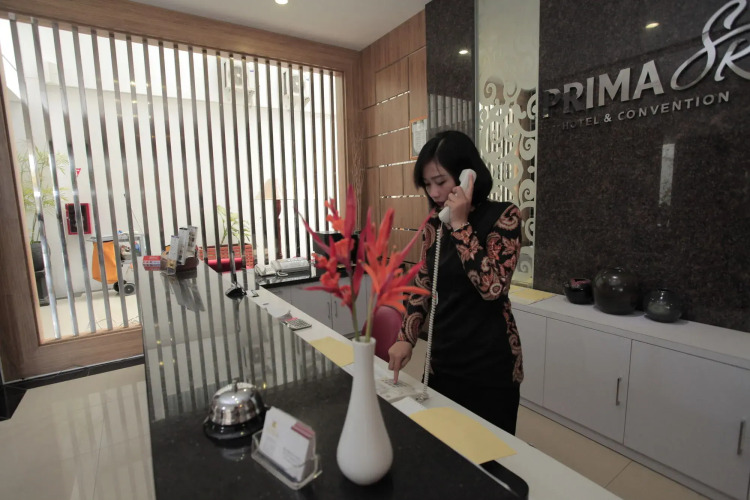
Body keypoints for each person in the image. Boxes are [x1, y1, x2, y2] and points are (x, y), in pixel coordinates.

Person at [388, 130, 523, 435]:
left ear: (466, 176)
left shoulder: (504, 216)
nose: (434, 193)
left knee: (488, 451)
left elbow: (492, 288)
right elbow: (424, 282)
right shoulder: (436, 222)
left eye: (440, 181)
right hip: (444, 356)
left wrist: (461, 224)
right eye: (427, 184)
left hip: (489, 362)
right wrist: (406, 337)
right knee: (443, 442)